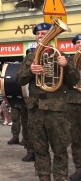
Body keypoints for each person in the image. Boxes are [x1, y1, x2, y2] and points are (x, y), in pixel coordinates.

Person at [17, 23, 79, 181]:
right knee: (39, 148)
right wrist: (30, 71)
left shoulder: (62, 55)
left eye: (44, 33)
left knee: (60, 149)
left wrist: (66, 67)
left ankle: (60, 178)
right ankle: (44, 177)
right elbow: (20, 80)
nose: (41, 36)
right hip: (36, 109)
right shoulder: (30, 58)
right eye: (38, 34)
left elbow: (75, 81)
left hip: (56, 109)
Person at [7, 47, 35, 162]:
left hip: (33, 100)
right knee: (21, 121)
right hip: (22, 100)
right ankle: (28, 148)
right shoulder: (22, 66)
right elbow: (19, 79)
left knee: (30, 125)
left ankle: (31, 146)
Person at [68, 34, 81, 181]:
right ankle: (79, 168)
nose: (80, 44)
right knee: (76, 138)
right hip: (74, 103)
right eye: (78, 42)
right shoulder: (70, 61)